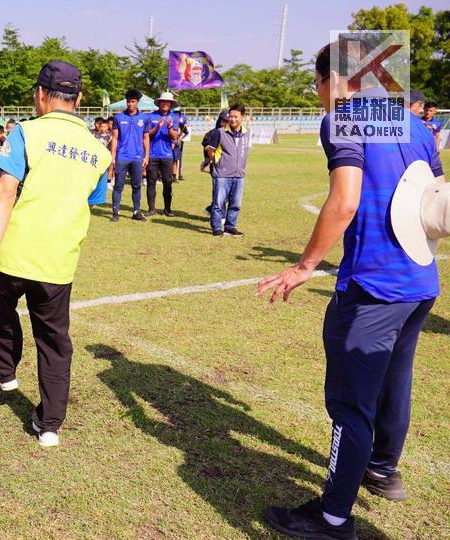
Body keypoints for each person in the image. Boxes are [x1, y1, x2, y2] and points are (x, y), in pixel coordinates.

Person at [258, 40, 444, 539]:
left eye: (318, 84)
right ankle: (383, 469)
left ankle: (333, 518)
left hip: (374, 288)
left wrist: (302, 267)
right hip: (419, 281)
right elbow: (436, 199)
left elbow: (344, 202)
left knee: (350, 403)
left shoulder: (345, 118)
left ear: (335, 80)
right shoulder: (418, 125)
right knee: (395, 380)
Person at [0, 61, 111, 448]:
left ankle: (3, 369)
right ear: (78, 99)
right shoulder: (100, 151)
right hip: (59, 260)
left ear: (40, 95)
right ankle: (49, 424)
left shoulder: (26, 132)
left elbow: (4, 191)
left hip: (14, 252)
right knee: (54, 340)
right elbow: (91, 199)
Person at [204, 104, 251, 237]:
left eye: (236, 116)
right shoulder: (220, 132)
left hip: (239, 174)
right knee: (219, 203)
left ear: (243, 117)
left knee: (236, 203)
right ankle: (217, 227)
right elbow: (210, 150)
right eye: (230, 116)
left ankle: (230, 226)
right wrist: (217, 164)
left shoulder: (247, 133)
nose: (232, 119)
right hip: (222, 174)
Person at [111, 89, 150, 221]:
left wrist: (147, 156)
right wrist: (113, 156)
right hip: (122, 157)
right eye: (128, 101)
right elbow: (115, 138)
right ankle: (115, 213)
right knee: (118, 186)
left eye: (133, 101)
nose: (130, 104)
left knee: (136, 185)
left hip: (137, 157)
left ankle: (136, 212)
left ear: (137, 102)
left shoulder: (144, 118)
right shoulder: (118, 117)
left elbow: (146, 138)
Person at [144, 92, 180, 216]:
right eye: (163, 102)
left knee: (167, 182)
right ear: (159, 103)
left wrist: (169, 127)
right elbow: (146, 135)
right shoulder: (150, 116)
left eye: (168, 102)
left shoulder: (174, 117)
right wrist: (157, 127)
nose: (165, 104)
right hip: (152, 154)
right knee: (151, 182)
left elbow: (175, 136)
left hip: (167, 155)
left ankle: (167, 209)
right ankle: (151, 209)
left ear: (171, 104)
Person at [172, 108, 189, 181]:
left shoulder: (181, 124)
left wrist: (180, 139)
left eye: (178, 113)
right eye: (175, 113)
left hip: (178, 143)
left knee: (176, 159)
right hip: (169, 143)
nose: (177, 115)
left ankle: (176, 175)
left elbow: (186, 132)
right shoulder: (170, 122)